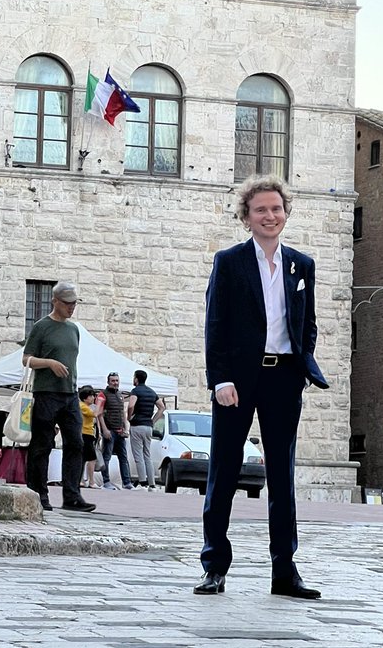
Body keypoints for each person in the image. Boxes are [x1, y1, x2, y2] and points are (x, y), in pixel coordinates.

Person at [196, 174, 328, 599]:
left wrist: (302, 366)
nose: (270, 216)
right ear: (247, 217)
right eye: (261, 210)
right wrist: (220, 380)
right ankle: (214, 566)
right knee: (224, 472)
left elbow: (306, 324)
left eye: (276, 208)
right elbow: (215, 326)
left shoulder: (301, 265)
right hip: (237, 381)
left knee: (282, 476)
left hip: (284, 379)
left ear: (286, 212)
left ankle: (284, 572)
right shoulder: (229, 261)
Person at [22, 281, 95, 514]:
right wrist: (49, 363)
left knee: (76, 443)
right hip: (46, 393)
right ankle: (38, 494)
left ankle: (72, 496)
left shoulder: (74, 330)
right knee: (42, 444)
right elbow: (26, 359)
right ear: (55, 301)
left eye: (74, 303)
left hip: (70, 394)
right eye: (67, 304)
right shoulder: (41, 327)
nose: (71, 308)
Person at [128, 369, 165, 491]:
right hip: (148, 426)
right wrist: (153, 421)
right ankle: (152, 483)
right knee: (147, 455)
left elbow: (131, 405)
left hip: (137, 425)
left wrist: (129, 417)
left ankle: (142, 482)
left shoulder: (135, 391)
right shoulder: (152, 392)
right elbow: (162, 407)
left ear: (136, 379)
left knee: (138, 455)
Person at [98, 372, 134, 490]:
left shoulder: (120, 395)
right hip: (109, 431)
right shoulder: (103, 395)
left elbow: (122, 413)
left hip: (120, 431)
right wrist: (105, 430)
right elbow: (99, 414)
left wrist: (125, 428)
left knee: (123, 458)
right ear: (108, 382)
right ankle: (106, 481)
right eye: (113, 381)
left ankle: (127, 482)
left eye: (117, 380)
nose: (115, 383)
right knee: (106, 457)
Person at [78, 385, 100, 489]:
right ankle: (91, 481)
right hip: (85, 434)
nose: (93, 398)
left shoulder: (84, 406)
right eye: (91, 396)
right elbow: (95, 414)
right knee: (92, 458)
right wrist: (100, 403)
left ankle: (81, 480)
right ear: (85, 397)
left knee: (83, 459)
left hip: (88, 434)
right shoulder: (83, 406)